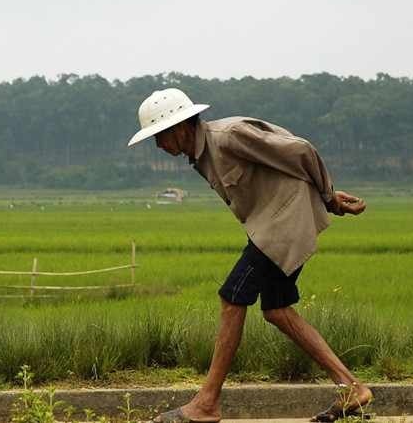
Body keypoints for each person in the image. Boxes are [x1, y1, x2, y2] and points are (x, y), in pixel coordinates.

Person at [128, 88, 372, 423]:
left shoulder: (228, 137)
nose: (158, 145)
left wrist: (327, 196)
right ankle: (352, 389)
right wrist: (323, 195)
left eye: (160, 136)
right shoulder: (203, 155)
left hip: (283, 225)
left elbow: (300, 150)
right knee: (277, 310)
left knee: (232, 299)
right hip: (275, 228)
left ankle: (207, 403)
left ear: (181, 127)